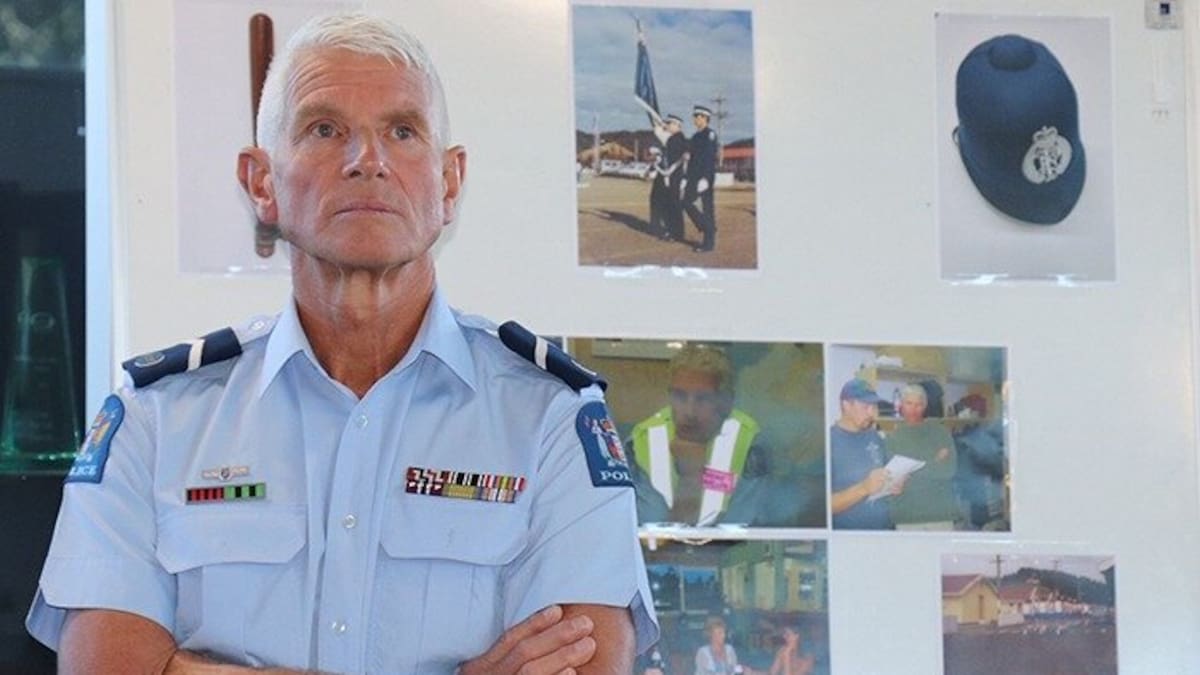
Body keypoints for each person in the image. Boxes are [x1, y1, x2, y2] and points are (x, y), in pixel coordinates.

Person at [26, 12, 657, 674]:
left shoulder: (551, 419)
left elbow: (586, 661)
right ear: (261, 181)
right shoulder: (156, 420)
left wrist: (184, 665)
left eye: (403, 131)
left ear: (449, 183)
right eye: (325, 130)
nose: (368, 161)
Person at [627, 344, 765, 526]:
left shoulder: (748, 442)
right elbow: (646, 531)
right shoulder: (644, 440)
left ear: (726, 401)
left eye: (703, 399)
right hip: (659, 554)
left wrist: (694, 474)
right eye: (680, 396)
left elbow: (743, 531)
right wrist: (689, 479)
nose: (689, 411)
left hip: (726, 553)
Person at [829, 378, 903, 530]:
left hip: (884, 532)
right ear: (846, 405)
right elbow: (822, 507)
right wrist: (863, 488)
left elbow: (886, 475)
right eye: (866, 406)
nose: (872, 413)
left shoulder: (874, 437)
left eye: (874, 407)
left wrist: (894, 483)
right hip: (849, 541)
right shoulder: (827, 442)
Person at [886, 384, 959, 530]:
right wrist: (934, 462)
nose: (913, 409)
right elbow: (893, 478)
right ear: (900, 405)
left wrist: (910, 469)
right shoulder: (892, 438)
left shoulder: (940, 432)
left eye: (919, 405)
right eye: (909, 403)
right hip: (907, 516)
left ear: (925, 406)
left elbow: (948, 470)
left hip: (941, 515)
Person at [951, 393, 1006, 529]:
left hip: (979, 500)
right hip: (978, 500)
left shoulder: (977, 438)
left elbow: (997, 468)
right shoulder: (973, 438)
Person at [683, 105, 718, 252]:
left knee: (707, 208)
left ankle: (708, 244)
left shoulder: (710, 135)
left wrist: (705, 178)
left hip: (705, 178)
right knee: (685, 202)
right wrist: (685, 176)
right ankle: (707, 226)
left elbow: (709, 158)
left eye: (697, 117)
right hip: (693, 176)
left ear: (705, 118)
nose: (694, 119)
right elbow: (691, 158)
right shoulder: (695, 136)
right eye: (694, 116)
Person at [651, 114, 687, 241]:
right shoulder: (672, 138)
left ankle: (677, 233)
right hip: (667, 175)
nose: (667, 125)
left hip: (674, 176)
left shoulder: (678, 138)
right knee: (666, 204)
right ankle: (670, 230)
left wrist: (658, 128)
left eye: (669, 123)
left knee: (674, 204)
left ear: (677, 125)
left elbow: (665, 139)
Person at [646, 146, 681, 241]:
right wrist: (652, 167)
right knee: (655, 206)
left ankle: (670, 231)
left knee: (665, 209)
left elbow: (666, 173)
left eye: (651, 154)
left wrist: (655, 166)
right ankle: (656, 227)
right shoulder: (656, 162)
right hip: (658, 187)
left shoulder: (664, 161)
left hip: (665, 188)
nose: (650, 156)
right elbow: (650, 176)